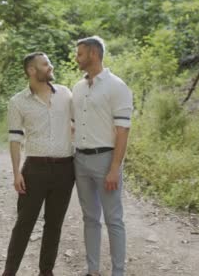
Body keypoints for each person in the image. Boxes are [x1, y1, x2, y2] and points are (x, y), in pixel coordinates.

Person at [2, 52, 75, 276]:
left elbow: (77, 122)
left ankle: (46, 272)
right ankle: (9, 272)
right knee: (24, 225)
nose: (50, 67)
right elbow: (15, 139)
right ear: (32, 71)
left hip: (65, 169)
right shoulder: (18, 102)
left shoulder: (65, 94)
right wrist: (17, 173)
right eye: (45, 64)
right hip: (34, 169)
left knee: (54, 225)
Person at [72, 36, 133, 276]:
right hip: (80, 160)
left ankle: (118, 272)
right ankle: (92, 270)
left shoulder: (117, 86)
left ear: (94, 54)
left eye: (80, 54)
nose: (77, 58)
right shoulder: (77, 88)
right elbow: (75, 124)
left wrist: (114, 167)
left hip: (106, 159)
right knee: (89, 218)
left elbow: (123, 130)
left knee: (113, 219)